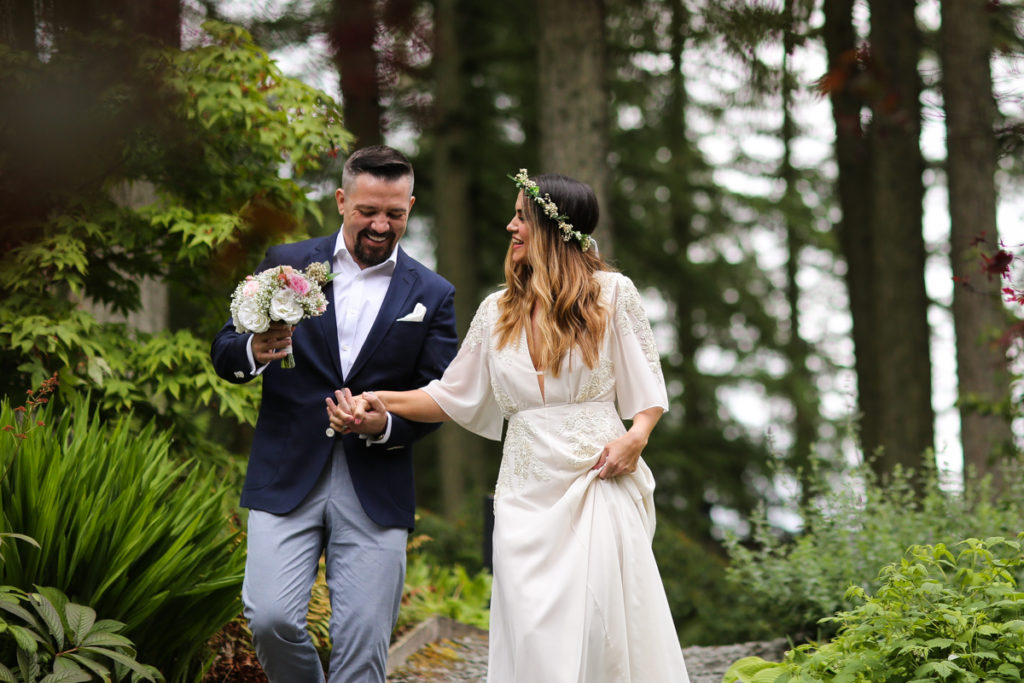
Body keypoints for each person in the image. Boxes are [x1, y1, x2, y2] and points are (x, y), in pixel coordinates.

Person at [327, 171, 691, 682]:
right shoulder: (496, 311)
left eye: (521, 216)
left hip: (597, 478)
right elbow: (449, 395)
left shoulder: (612, 294)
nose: (510, 226)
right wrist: (376, 398)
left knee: (598, 625)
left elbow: (646, 386)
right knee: (533, 632)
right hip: (523, 494)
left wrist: (637, 437)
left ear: (550, 227)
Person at [210, 145, 458, 682]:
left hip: (376, 481)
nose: (380, 224)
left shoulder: (433, 294)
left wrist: (383, 423)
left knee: (364, 644)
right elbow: (224, 352)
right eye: (368, 210)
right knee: (271, 617)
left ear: (410, 207)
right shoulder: (286, 263)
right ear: (342, 200)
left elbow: (442, 396)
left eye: (394, 213)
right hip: (286, 470)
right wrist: (256, 350)